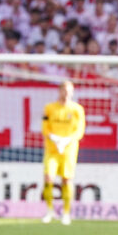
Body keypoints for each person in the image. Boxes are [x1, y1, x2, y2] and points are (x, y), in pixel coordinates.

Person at [41, 80, 86, 225]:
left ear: (72, 92)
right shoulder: (49, 108)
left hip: (69, 150)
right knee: (48, 179)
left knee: (67, 180)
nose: (67, 93)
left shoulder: (77, 109)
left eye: (70, 91)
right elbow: (45, 127)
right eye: (64, 90)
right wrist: (54, 138)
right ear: (59, 91)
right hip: (52, 149)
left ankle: (66, 213)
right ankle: (50, 211)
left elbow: (79, 130)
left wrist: (66, 140)